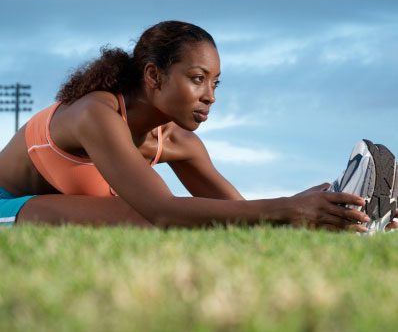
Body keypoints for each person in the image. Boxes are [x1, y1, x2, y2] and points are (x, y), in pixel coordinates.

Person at [0, 20, 393, 232]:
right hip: (7, 206)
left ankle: (360, 218)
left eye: (215, 83)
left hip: (56, 208)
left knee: (216, 220)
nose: (210, 96)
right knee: (141, 218)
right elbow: (162, 210)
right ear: (153, 76)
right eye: (197, 78)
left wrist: (325, 211)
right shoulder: (94, 114)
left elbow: (239, 215)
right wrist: (291, 208)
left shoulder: (178, 142)